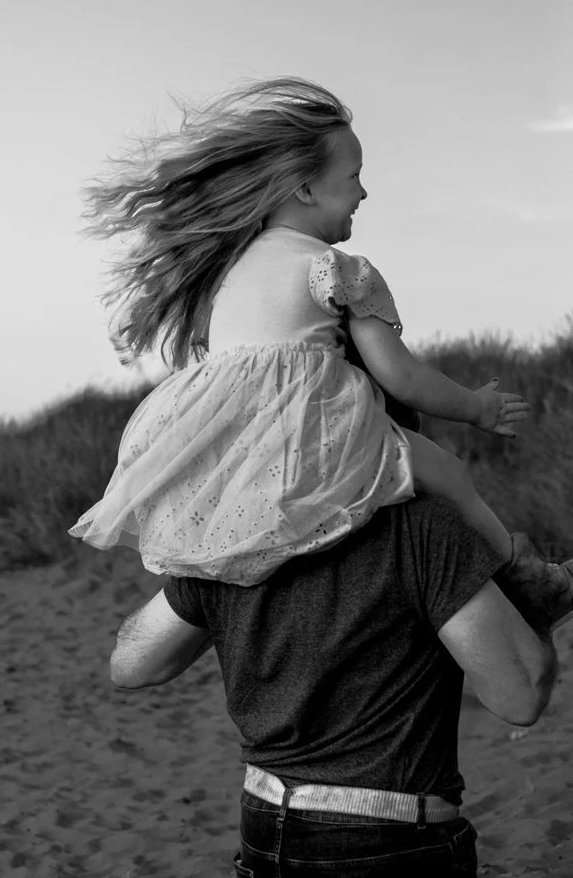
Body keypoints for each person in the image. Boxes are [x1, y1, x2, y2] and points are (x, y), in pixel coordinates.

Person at [69, 75, 573, 624]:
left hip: (240, 453)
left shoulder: (224, 274)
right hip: (321, 434)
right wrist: (476, 407)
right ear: (306, 189)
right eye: (354, 177)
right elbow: (399, 375)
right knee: (449, 475)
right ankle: (529, 585)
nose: (363, 192)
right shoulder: (337, 269)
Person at [107, 493, 560, 877]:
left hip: (265, 824)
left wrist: (220, 599)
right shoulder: (421, 526)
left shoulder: (232, 540)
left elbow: (132, 664)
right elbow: (521, 696)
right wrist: (533, 606)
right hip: (390, 836)